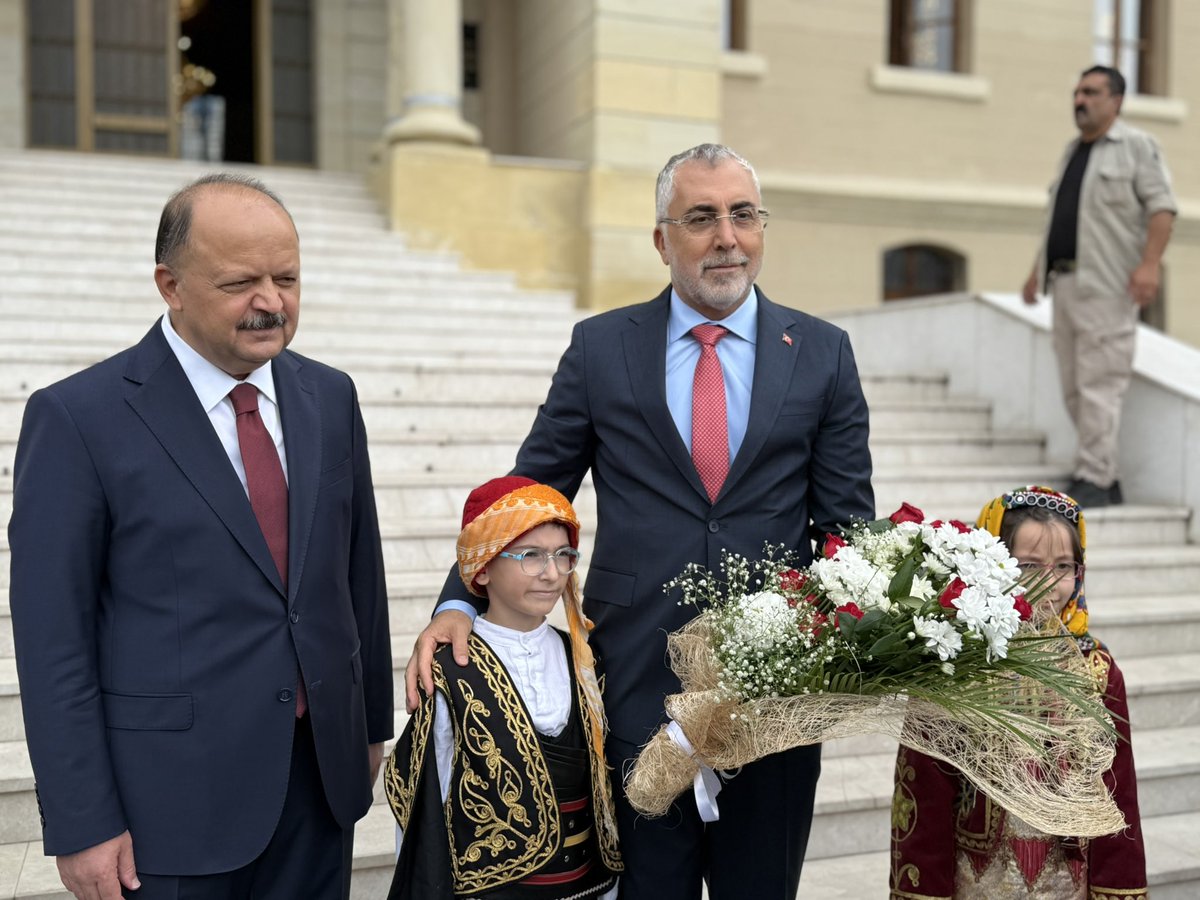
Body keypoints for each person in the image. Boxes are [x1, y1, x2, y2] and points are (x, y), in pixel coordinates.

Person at [405, 143, 875, 899]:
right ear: (662, 240)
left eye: (743, 215)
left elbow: (848, 531)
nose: (727, 236)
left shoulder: (822, 352)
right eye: (701, 218)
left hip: (776, 700)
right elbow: (528, 491)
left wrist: (838, 653)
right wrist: (459, 601)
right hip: (636, 685)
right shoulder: (602, 348)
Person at [8, 173, 393, 900]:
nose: (271, 302)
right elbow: (52, 639)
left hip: (321, 786)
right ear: (171, 285)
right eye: (241, 281)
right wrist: (83, 819)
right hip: (170, 810)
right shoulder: (78, 420)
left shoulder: (330, 397)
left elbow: (357, 577)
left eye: (287, 277)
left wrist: (369, 725)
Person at [889, 486, 1146, 899]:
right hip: (975, 882)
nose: (1049, 583)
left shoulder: (1097, 672)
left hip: (1068, 881)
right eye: (1029, 566)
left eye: (1064, 566)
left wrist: (1118, 890)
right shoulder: (954, 668)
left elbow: (1119, 796)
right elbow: (924, 799)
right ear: (993, 564)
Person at [384, 476, 622, 899]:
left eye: (563, 556)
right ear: (485, 566)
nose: (552, 574)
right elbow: (423, 805)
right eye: (531, 556)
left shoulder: (582, 656)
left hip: (588, 886)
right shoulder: (449, 669)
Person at [1021, 65, 1176, 509]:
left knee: (1099, 384)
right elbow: (1059, 218)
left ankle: (1095, 475)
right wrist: (1036, 269)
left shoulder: (1136, 147)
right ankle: (1102, 477)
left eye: (1090, 92)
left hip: (1108, 287)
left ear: (1116, 101)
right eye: (1076, 92)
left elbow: (1162, 209)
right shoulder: (1073, 151)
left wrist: (1150, 265)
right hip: (1065, 283)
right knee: (1073, 385)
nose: (1079, 100)